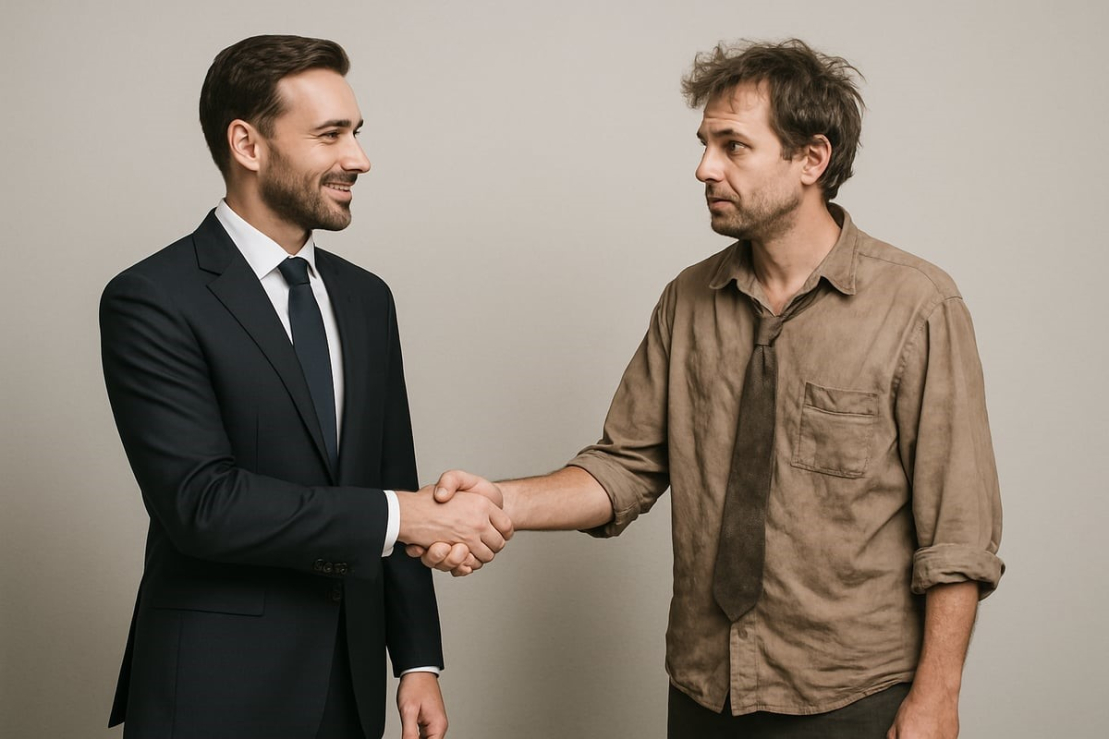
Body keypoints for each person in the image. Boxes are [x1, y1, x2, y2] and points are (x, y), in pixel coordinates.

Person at [413, 39, 1004, 738]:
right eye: (704, 144)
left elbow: (958, 529)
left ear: (811, 159)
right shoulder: (687, 300)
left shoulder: (916, 306)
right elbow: (626, 467)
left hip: (852, 696)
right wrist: (499, 502)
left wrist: (937, 694)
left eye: (733, 147)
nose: (704, 168)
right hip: (704, 689)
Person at [100, 34, 511, 739]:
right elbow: (202, 504)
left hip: (348, 685)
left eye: (356, 132)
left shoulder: (367, 298)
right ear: (247, 144)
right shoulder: (152, 298)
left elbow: (390, 475)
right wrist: (406, 517)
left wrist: (417, 660)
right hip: (213, 689)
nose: (359, 158)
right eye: (331, 134)